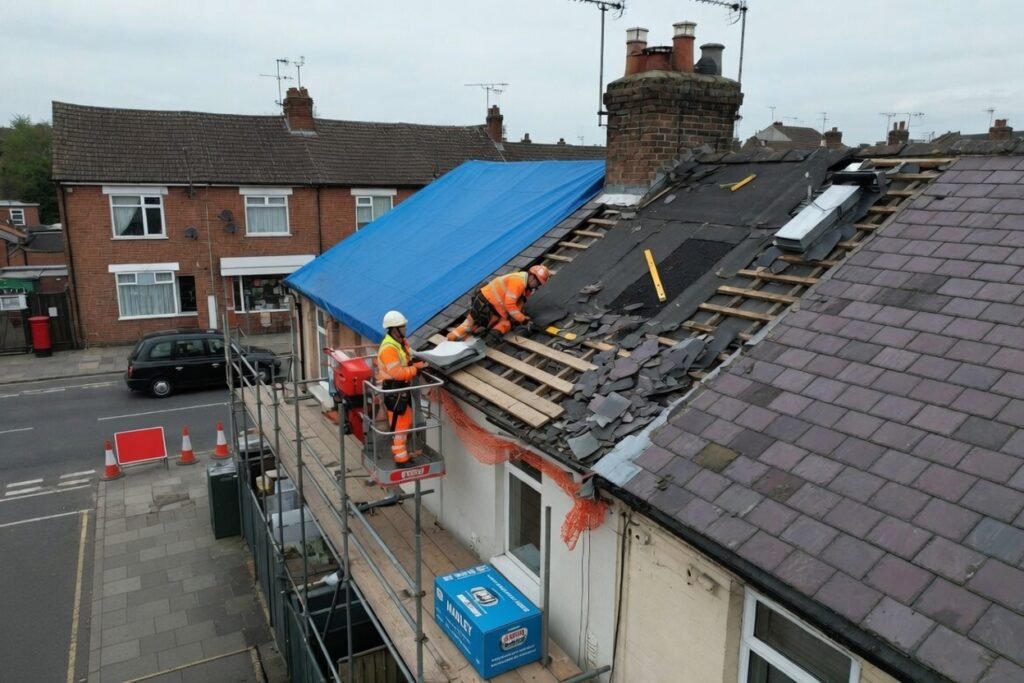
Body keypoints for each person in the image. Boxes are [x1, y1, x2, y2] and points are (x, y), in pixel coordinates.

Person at [446, 265, 550, 342]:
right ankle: (486, 340)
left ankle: (454, 339)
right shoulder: (519, 282)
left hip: (482, 303)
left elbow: (519, 303)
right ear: (532, 277)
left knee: (470, 324)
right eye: (537, 283)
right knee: (502, 323)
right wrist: (522, 319)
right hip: (489, 307)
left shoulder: (521, 280)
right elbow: (510, 304)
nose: (536, 286)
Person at [376, 310, 426, 465]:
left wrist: (418, 363)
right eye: (402, 326)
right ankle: (400, 457)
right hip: (393, 389)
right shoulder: (389, 348)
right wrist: (416, 370)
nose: (405, 328)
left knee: (404, 421)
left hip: (400, 389)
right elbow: (397, 373)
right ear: (394, 329)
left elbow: (407, 359)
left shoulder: (400, 342)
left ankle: (401, 454)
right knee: (400, 424)